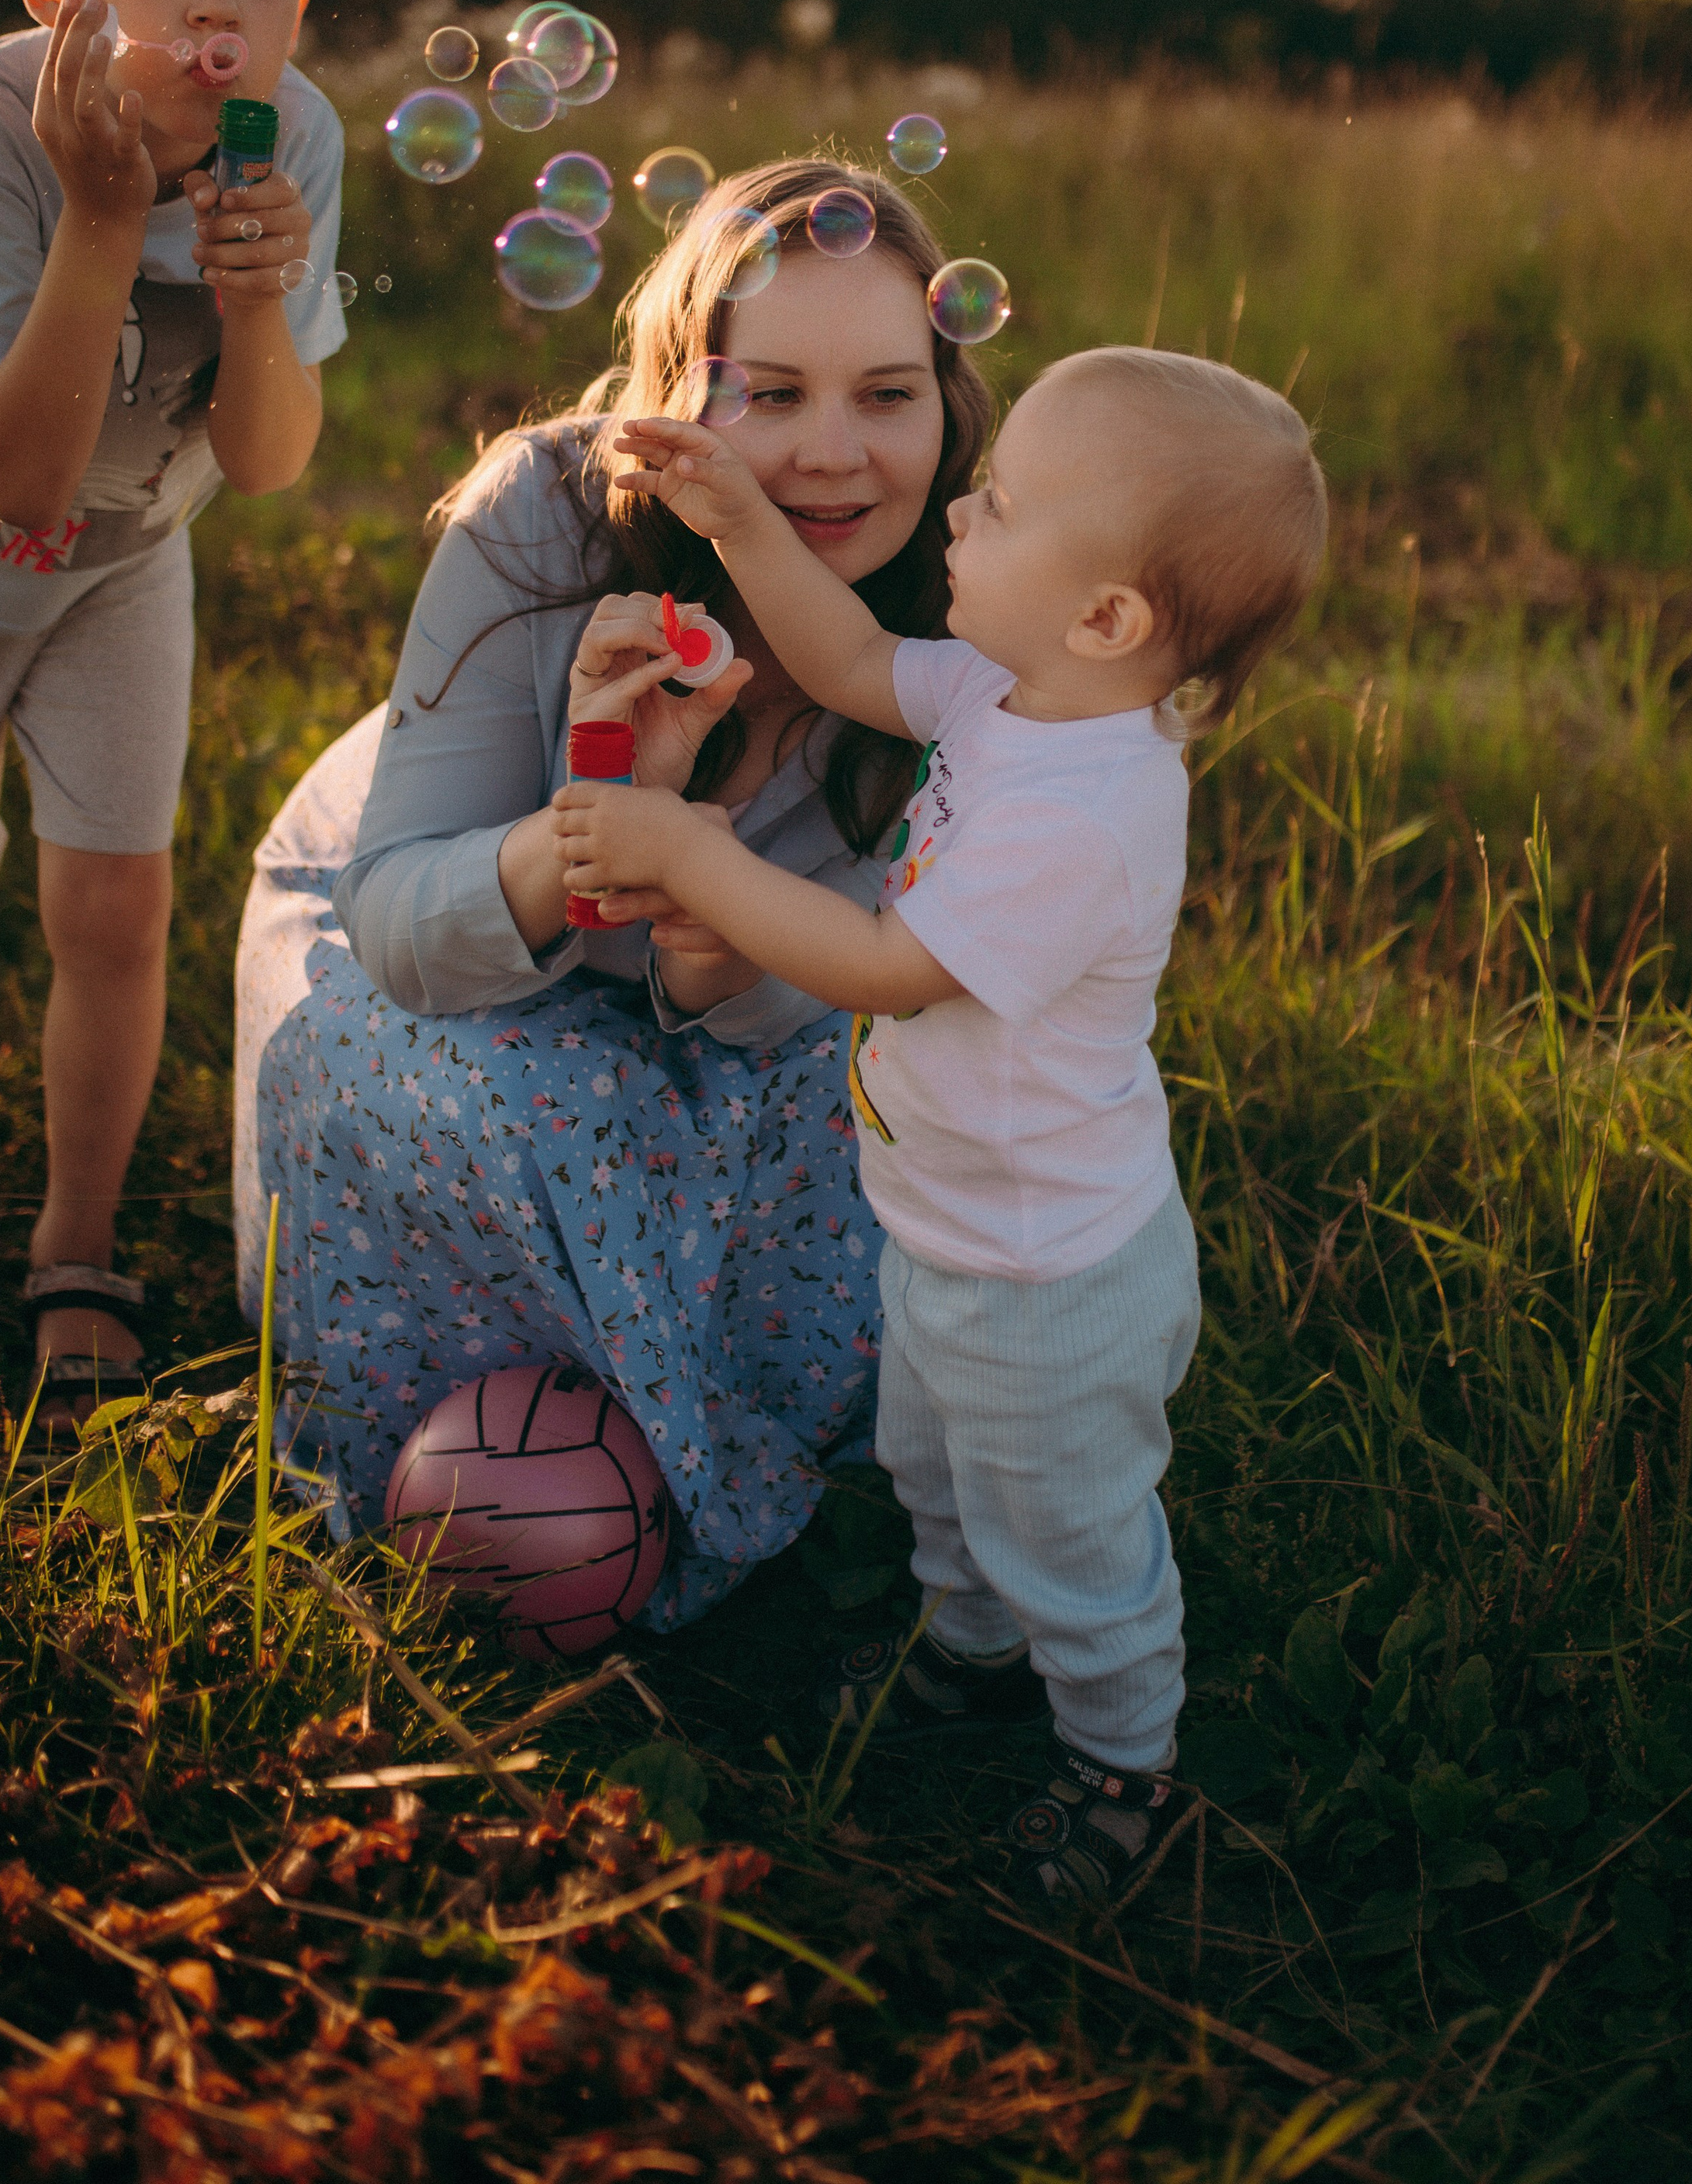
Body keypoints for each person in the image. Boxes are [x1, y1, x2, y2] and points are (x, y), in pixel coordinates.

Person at [562, 345, 1328, 1901]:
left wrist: (690, 856)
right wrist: (740, 524)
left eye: (1003, 505)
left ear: (1105, 619)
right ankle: (969, 1646)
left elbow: (882, 965)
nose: (961, 514)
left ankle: (1123, 1758)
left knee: (1069, 1531)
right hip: (952, 1229)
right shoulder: (1008, 691)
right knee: (938, 1467)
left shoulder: (1084, 813)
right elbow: (851, 656)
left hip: (1050, 1280)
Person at [232, 165, 991, 1628]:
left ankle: (682, 1437)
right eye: (771, 393)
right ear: (682, 397)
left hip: (753, 1011)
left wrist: (709, 932)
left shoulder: (966, 598)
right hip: (417, 933)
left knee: (910, 1113)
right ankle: (522, 1420)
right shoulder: (548, 512)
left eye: (889, 396)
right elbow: (395, 922)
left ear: (947, 408)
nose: (835, 455)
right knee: (528, 1104)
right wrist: (594, 825)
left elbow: (823, 987)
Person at [0, 0, 344, 1421]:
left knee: (114, 909)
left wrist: (255, 310)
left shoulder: (291, 137)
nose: (212, 5)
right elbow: (14, 480)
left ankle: (78, 1241)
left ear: (299, 1)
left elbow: (266, 460)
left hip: (124, 570)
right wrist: (105, 221)